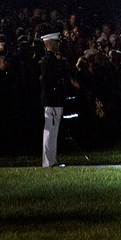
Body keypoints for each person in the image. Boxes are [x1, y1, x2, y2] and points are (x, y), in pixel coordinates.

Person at [39, 32, 72, 167]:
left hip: (54, 99)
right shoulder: (48, 60)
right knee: (50, 130)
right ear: (49, 44)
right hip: (51, 100)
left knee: (53, 131)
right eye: (55, 42)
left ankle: (51, 160)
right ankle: (48, 161)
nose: (57, 44)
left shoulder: (53, 59)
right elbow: (48, 81)